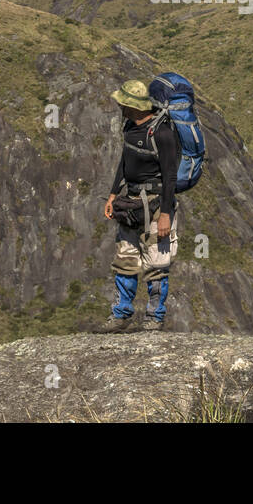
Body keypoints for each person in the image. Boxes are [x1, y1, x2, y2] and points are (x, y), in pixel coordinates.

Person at [94, 79, 180, 333]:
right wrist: (112, 193)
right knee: (125, 260)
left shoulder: (162, 133)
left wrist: (165, 214)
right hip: (129, 204)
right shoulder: (130, 126)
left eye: (123, 103)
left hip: (155, 207)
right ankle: (121, 314)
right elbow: (125, 160)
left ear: (134, 106)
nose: (120, 106)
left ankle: (154, 317)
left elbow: (170, 176)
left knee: (156, 264)